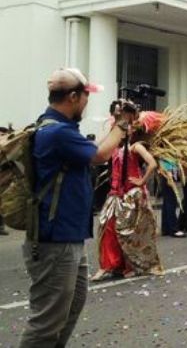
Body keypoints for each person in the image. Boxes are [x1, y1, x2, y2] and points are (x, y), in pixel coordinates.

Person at [20, 68, 128, 348]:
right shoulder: (57, 132)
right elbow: (101, 154)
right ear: (72, 96)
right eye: (85, 97)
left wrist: (116, 124)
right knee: (46, 321)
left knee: (71, 306)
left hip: (68, 236)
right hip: (55, 240)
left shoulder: (61, 130)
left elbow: (95, 149)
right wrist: (123, 124)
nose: (86, 103)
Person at [91, 100, 164, 280]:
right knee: (106, 227)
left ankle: (129, 265)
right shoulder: (113, 146)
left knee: (129, 232)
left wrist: (141, 180)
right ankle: (108, 265)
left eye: (127, 127)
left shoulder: (135, 146)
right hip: (115, 194)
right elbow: (97, 148)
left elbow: (152, 163)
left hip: (131, 195)